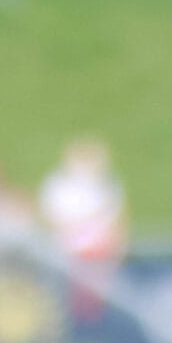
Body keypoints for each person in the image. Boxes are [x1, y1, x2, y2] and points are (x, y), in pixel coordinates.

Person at [38, 138, 128, 322]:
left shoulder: (107, 186)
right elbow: (49, 219)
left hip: (98, 255)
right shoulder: (59, 186)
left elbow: (116, 223)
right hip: (66, 256)